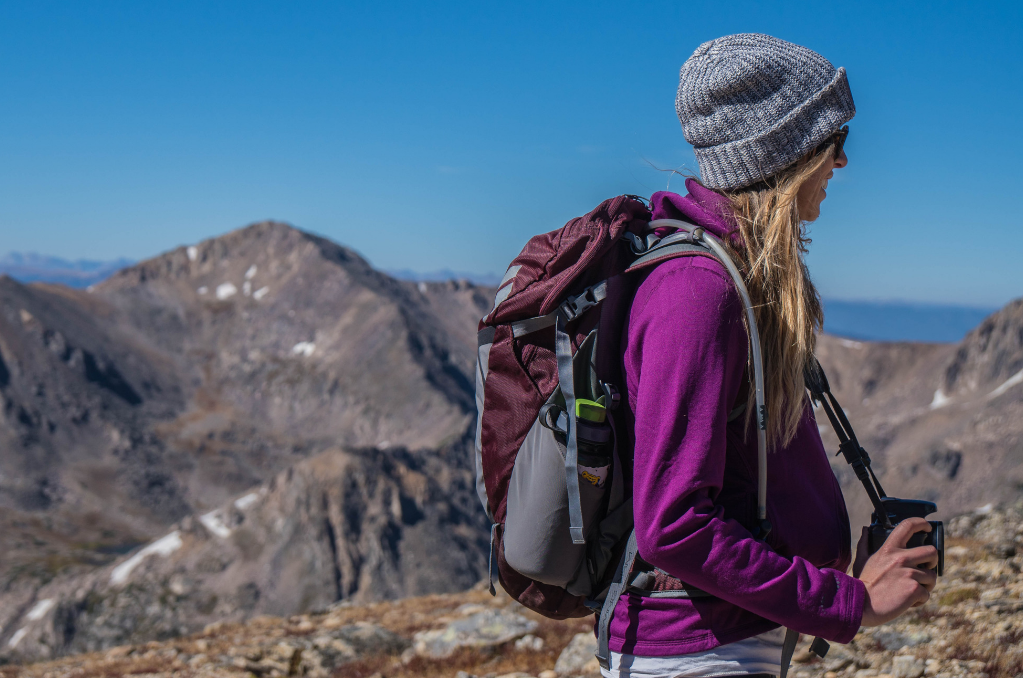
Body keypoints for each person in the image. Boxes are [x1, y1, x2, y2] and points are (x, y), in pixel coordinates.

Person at [605, 33, 939, 678]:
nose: (841, 163)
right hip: (694, 654)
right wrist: (852, 603)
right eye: (834, 142)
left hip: (726, 643)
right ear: (786, 154)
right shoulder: (698, 294)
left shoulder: (733, 282)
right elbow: (674, 526)